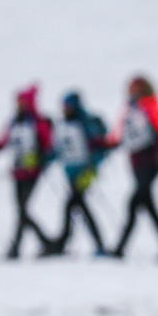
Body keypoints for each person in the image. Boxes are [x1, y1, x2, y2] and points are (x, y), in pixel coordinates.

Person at [111, 75, 158, 261]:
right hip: (136, 163)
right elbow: (123, 135)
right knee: (148, 207)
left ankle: (119, 248)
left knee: (134, 204)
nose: (131, 91)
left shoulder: (149, 106)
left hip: (149, 164)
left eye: (134, 88)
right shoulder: (130, 109)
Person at [0, 85, 55, 260]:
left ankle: (30, 244)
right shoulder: (14, 122)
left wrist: (40, 160)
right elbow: (5, 141)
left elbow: (48, 145)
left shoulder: (36, 122)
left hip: (32, 172)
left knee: (23, 210)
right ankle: (28, 245)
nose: (18, 105)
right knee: (21, 210)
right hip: (17, 172)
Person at [46, 90, 115, 257]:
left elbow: (98, 148)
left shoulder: (86, 124)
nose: (65, 109)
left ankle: (63, 243)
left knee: (72, 205)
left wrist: (92, 169)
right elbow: (59, 148)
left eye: (68, 106)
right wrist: (45, 160)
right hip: (70, 173)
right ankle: (96, 244)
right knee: (78, 207)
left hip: (84, 173)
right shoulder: (64, 124)